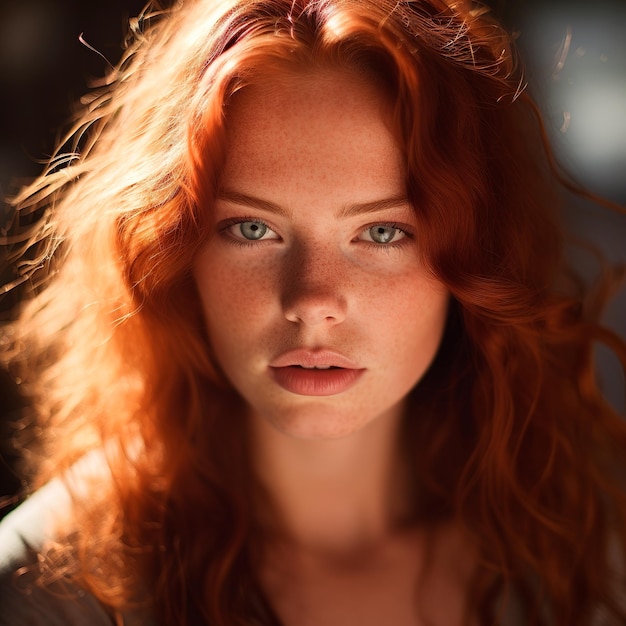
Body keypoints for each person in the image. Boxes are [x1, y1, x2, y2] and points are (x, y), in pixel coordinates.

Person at [1, 0, 625, 624]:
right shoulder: (52, 587)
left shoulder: (588, 549)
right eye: (252, 228)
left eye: (382, 233)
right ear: (172, 253)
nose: (312, 302)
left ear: (477, 252)